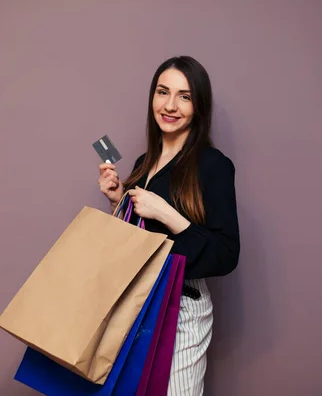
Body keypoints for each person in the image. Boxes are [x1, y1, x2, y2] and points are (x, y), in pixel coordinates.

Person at [97, 56, 240, 396]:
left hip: (181, 306)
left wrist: (166, 213)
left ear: (198, 106)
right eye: (163, 92)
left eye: (184, 96)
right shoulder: (142, 164)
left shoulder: (213, 165)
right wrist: (118, 201)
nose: (170, 105)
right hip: (135, 303)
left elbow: (226, 253)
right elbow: (138, 245)